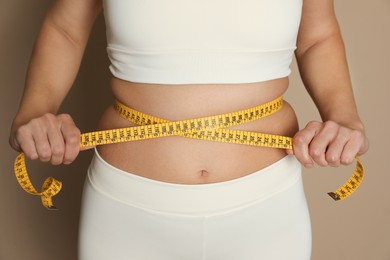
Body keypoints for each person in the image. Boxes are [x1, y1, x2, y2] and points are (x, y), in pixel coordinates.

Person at [9, 0, 369, 259]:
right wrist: (35, 111)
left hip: (267, 207)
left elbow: (317, 35)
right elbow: (65, 28)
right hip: (126, 214)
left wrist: (343, 116)